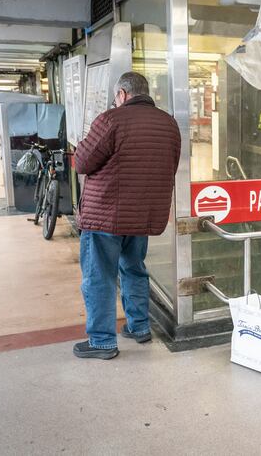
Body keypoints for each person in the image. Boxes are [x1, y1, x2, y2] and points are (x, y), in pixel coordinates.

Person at [72, 72, 181, 360]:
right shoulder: (168, 123)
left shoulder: (110, 120)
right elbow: (171, 164)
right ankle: (139, 326)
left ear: (121, 94)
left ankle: (102, 341)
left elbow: (82, 162)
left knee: (99, 276)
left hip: (105, 215)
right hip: (142, 215)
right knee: (134, 269)